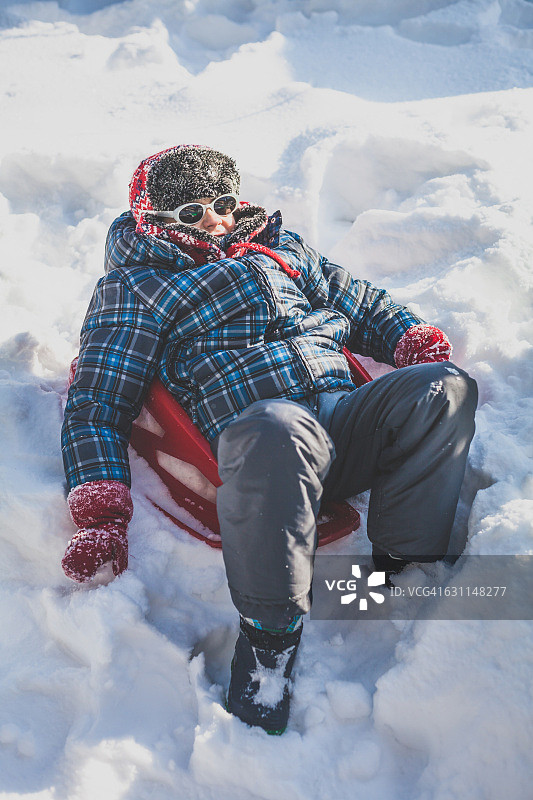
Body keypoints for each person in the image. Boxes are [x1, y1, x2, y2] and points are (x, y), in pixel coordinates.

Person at [61, 144, 478, 734]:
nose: (215, 220)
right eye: (192, 213)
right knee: (280, 428)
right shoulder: (136, 287)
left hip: (343, 416)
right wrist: (100, 512)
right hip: (263, 437)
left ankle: (403, 569)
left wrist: (406, 335)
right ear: (154, 220)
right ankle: (269, 640)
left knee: (444, 389)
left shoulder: (278, 246)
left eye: (224, 203)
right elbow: (97, 402)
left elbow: (356, 300)